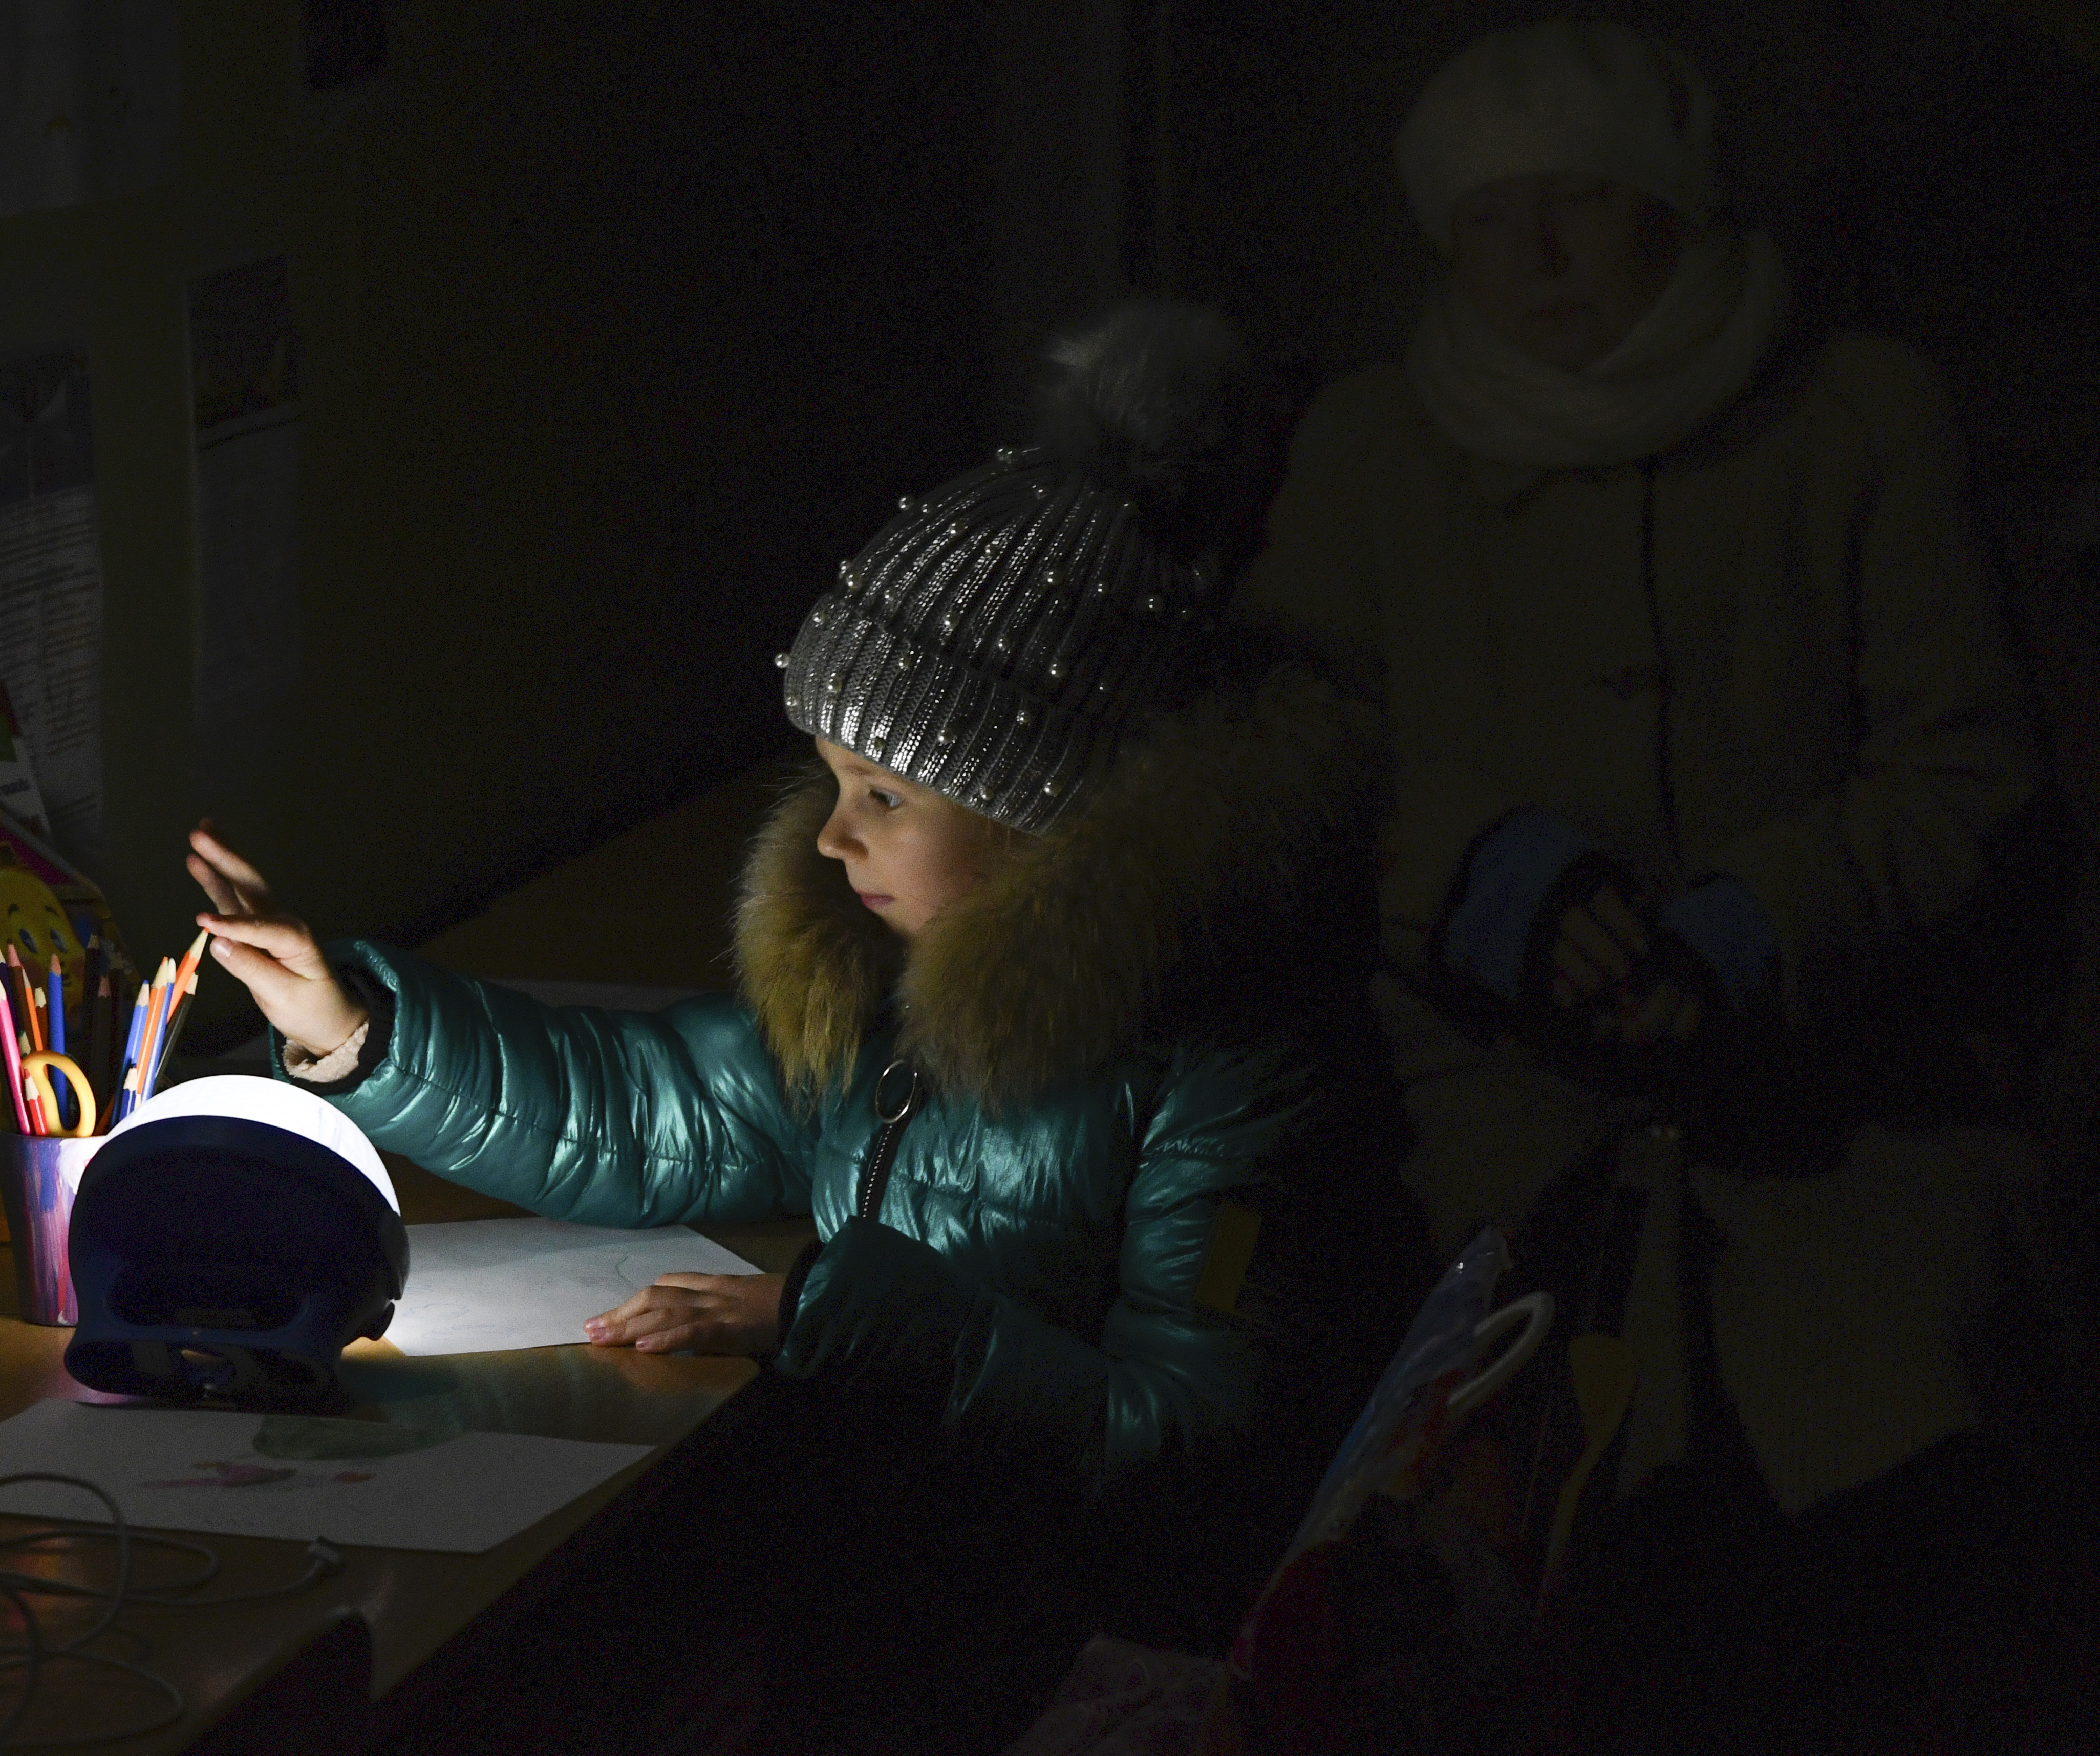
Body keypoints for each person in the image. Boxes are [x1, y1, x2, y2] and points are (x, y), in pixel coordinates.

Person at [185, 304, 1428, 1752]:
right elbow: (654, 1112)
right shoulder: (896, 971)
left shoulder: (1234, 1061)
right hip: (901, 1596)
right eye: (831, 781)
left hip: (1076, 1655)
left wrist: (825, 1313)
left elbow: (1189, 1453)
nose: (832, 838)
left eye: (885, 796)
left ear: (1060, 819)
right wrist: (359, 1028)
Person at [1235, 19, 2083, 1749]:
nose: (1531, 254)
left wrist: (1760, 922)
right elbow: (1291, 755)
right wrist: (1489, 884)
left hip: (1839, 1120)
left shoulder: (1858, 417)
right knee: (1527, 1576)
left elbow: (1968, 768)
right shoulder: (1374, 454)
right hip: (1495, 1132)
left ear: (1674, 209)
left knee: (1879, 1564)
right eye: (1487, 218)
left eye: (1581, 205)